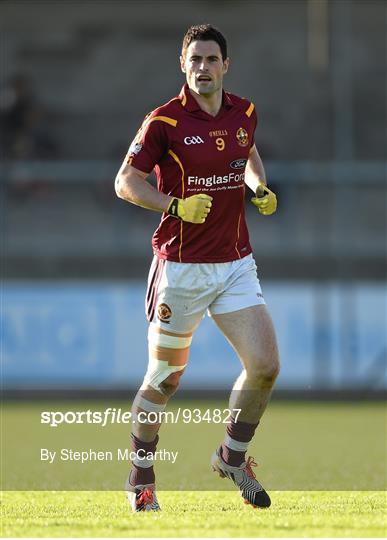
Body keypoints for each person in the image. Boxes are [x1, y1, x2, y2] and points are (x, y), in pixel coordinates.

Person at [115, 24, 280, 512]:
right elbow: (126, 181)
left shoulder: (244, 112)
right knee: (164, 381)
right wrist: (173, 206)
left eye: (211, 60)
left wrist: (258, 188)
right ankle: (140, 478)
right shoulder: (163, 121)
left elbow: (246, 152)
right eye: (195, 60)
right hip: (181, 269)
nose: (203, 68)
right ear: (182, 65)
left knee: (266, 367)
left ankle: (232, 455)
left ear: (226, 65)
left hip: (234, 264)